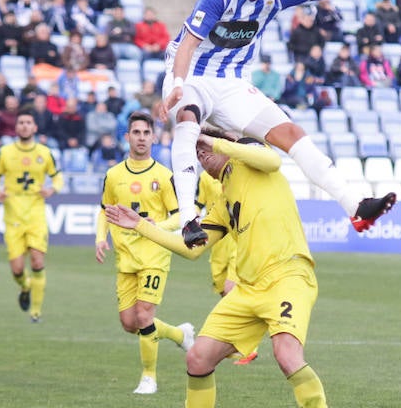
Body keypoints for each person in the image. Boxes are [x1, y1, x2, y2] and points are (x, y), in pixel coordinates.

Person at [162, 0, 401, 243]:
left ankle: (356, 206)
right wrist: (177, 83)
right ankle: (189, 219)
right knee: (188, 120)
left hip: (232, 82)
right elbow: (188, 43)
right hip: (190, 75)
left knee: (292, 134)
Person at [104, 131, 329, 408]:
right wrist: (140, 225)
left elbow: (273, 160)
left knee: (287, 355)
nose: (201, 152)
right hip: (248, 289)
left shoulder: (253, 164)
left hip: (288, 275)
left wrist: (216, 141)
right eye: (197, 151)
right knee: (197, 358)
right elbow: (193, 248)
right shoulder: (222, 204)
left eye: (204, 145)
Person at [94, 111, 194, 395]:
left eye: (146, 133)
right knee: (129, 323)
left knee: (144, 316)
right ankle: (179, 333)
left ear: (153, 136)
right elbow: (105, 211)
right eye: (135, 132)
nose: (141, 137)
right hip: (125, 257)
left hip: (154, 255)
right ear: (127, 137)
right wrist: (101, 238)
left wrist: (155, 226)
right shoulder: (113, 175)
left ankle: (149, 377)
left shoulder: (164, 176)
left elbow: (179, 217)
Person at [0, 108, 64, 323]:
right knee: (17, 269)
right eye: (20, 122)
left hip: (36, 215)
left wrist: (52, 189)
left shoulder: (44, 153)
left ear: (34, 127)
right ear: (16, 126)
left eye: (28, 122)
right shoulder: (5, 153)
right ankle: (25, 285)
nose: (24, 125)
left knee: (38, 261)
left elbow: (58, 178)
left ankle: (36, 311)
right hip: (13, 216)